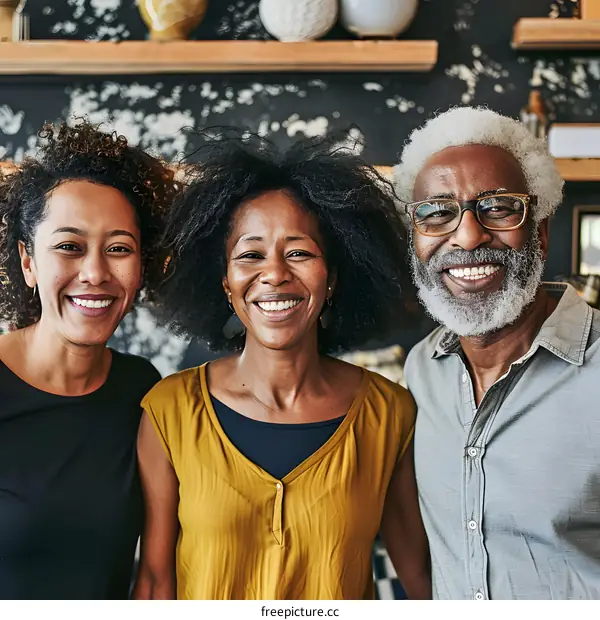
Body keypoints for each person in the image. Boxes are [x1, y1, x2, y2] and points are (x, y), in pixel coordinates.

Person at [134, 134, 431, 600]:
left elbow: (421, 578)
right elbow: (154, 582)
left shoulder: (389, 414)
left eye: (299, 252)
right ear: (226, 283)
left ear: (332, 277)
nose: (274, 273)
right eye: (251, 255)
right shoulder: (169, 412)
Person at [394, 105, 600, 600]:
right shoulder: (422, 370)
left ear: (542, 232)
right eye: (437, 212)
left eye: (499, 207)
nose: (467, 235)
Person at [0, 120, 176, 599]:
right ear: (28, 262)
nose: (96, 273)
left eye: (119, 249)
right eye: (68, 247)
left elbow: (155, 579)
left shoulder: (143, 390)